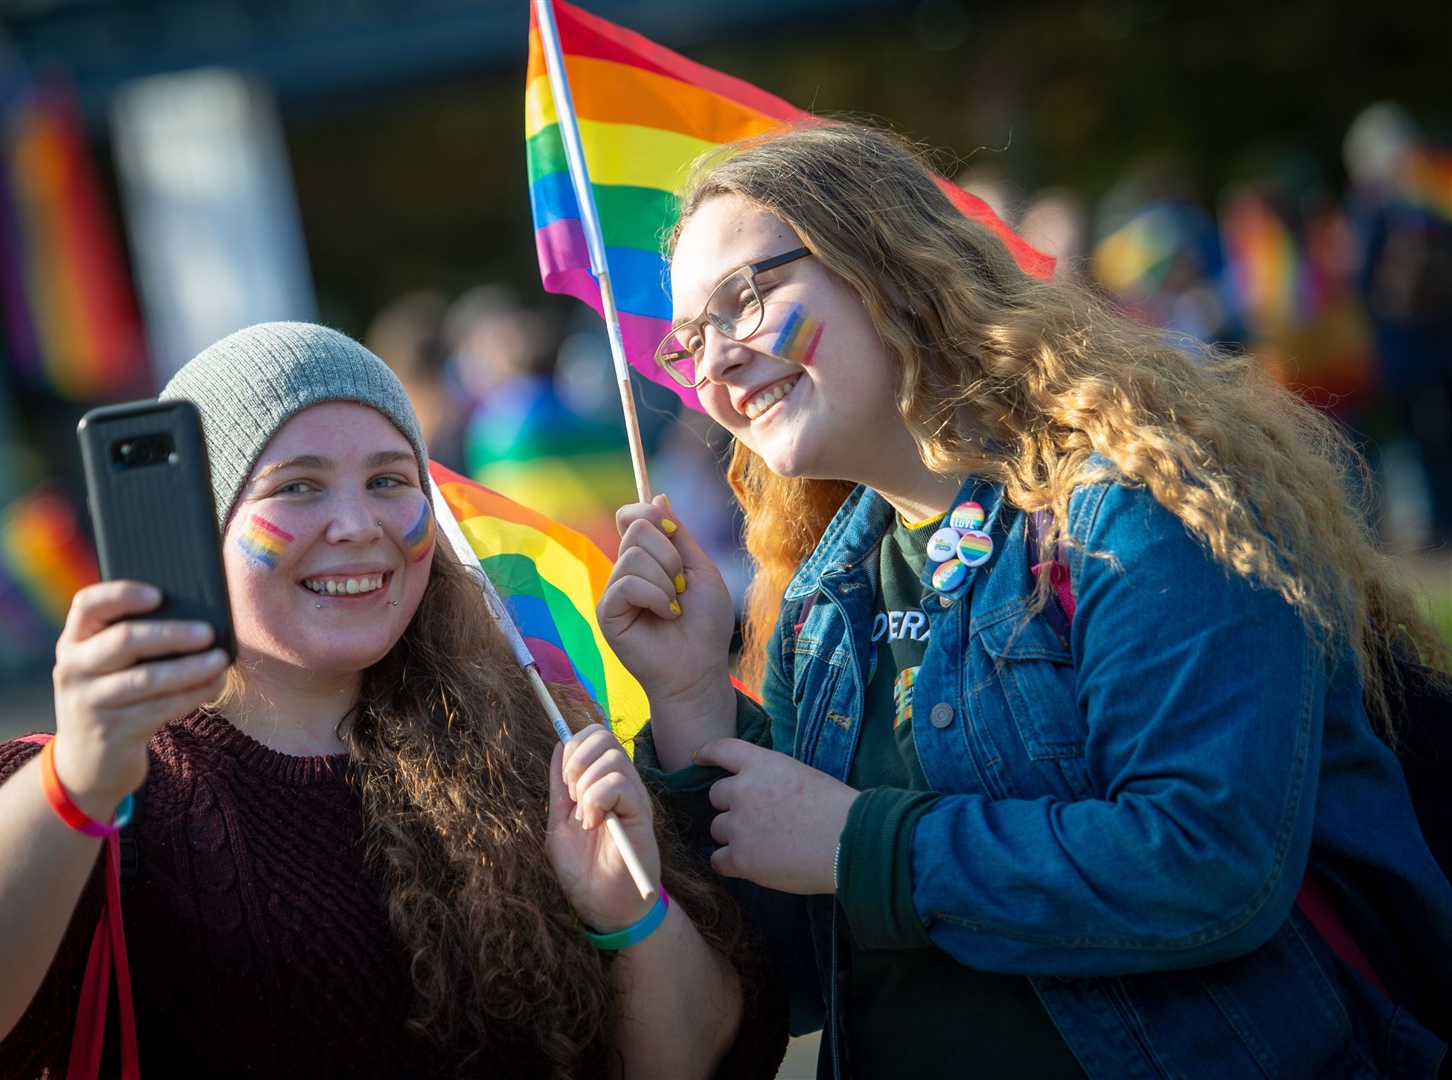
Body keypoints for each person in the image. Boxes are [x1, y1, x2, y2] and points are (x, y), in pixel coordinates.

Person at [596, 120, 1452, 1079]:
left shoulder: (1133, 512)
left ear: (884, 261)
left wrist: (860, 841)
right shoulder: (819, 603)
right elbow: (798, 980)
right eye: (687, 341)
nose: (712, 364)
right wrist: (690, 703)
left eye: (743, 300)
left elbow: (1209, 863)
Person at [0, 322, 787, 1078]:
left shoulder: (541, 731)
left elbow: (718, 1058)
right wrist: (75, 783)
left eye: (387, 480)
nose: (356, 524)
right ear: (194, 527)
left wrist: (630, 916)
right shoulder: (94, 787)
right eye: (295, 487)